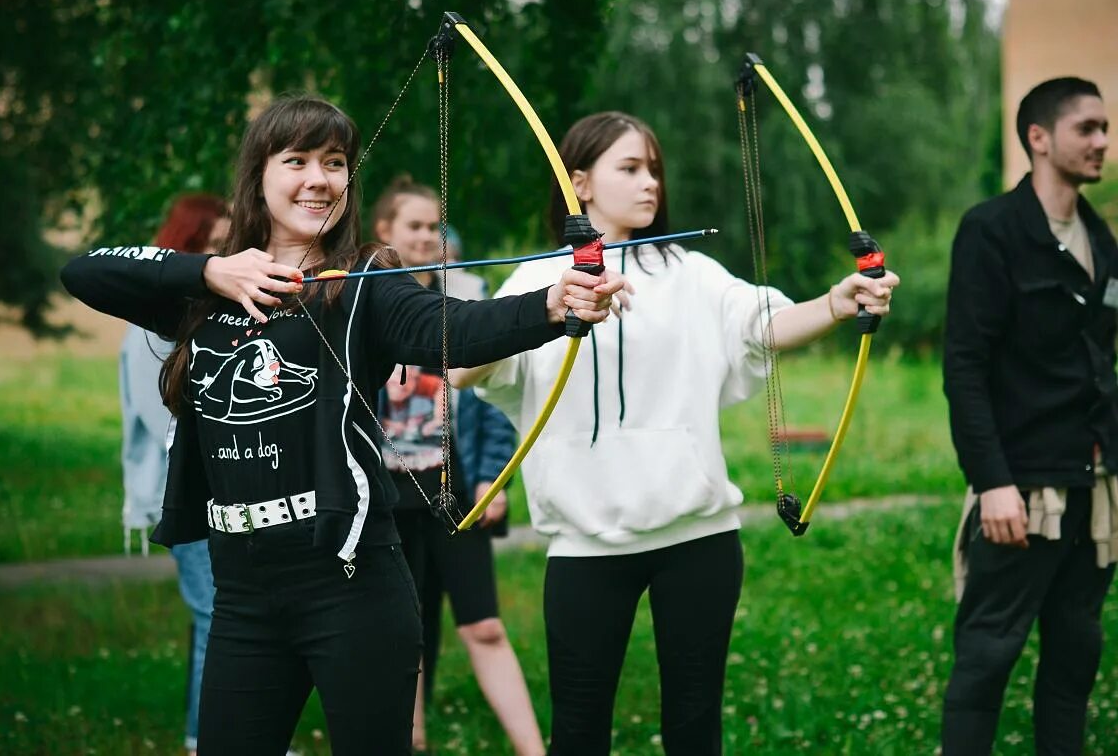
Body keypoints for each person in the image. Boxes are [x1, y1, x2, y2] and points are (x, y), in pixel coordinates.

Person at [59, 94, 623, 756]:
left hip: (350, 585)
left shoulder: (366, 281)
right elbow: (84, 272)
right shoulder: (207, 290)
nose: (318, 178)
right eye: (295, 160)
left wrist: (558, 300)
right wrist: (213, 269)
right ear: (258, 174)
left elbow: (460, 331)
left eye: (334, 162)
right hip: (242, 593)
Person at [452, 111, 899, 755]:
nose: (650, 184)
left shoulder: (690, 273)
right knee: (579, 733)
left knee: (695, 727)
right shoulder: (536, 281)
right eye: (630, 168)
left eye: (654, 169)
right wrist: (556, 306)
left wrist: (836, 302)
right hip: (585, 545)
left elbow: (765, 325)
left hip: (698, 540)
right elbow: (465, 369)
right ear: (579, 183)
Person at [942, 77, 1116, 755]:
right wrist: (992, 481)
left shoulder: (1101, 241)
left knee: (1077, 654)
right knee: (987, 655)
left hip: (1096, 485)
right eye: (1088, 129)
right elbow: (965, 368)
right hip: (1021, 487)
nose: (1103, 143)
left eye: (1105, 129)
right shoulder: (991, 231)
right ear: (1040, 139)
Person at [370, 176, 544, 755]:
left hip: (453, 484)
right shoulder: (363, 300)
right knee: (404, 634)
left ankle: (532, 749)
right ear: (384, 233)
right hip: (388, 495)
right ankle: (411, 742)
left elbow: (493, 403)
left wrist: (494, 475)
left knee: (484, 624)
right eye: (413, 227)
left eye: (433, 227)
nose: (426, 237)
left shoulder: (467, 299)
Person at [119, 193, 229, 756]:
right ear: (188, 249)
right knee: (216, 614)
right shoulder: (157, 325)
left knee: (220, 613)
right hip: (184, 492)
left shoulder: (213, 315)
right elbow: (161, 415)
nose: (229, 256)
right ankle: (203, 738)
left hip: (223, 488)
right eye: (214, 246)